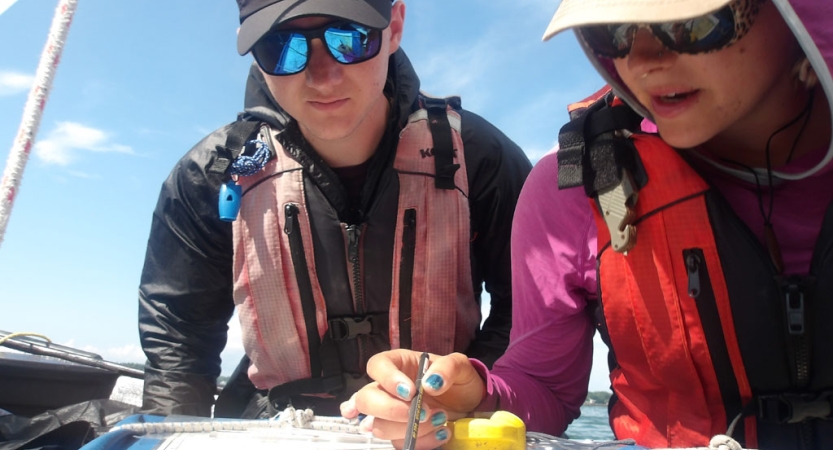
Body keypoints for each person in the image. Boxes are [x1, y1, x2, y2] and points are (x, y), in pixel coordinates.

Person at [345, 0, 833, 448]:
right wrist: (471, 394)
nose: (642, 61)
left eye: (690, 22)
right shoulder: (571, 189)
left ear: (800, 17)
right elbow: (546, 390)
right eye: (613, 31)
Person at [137, 0, 531, 419]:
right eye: (281, 47)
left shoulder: (480, 158)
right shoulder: (210, 175)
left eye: (351, 38)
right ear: (252, 51)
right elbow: (179, 339)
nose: (323, 77)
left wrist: (469, 391)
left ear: (394, 27)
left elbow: (528, 317)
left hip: (439, 426)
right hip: (274, 429)